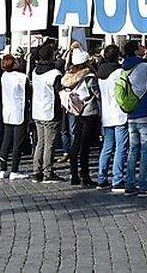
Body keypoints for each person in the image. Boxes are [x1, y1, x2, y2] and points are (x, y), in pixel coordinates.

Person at [116, 39, 147, 195]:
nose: (143, 47)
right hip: (146, 112)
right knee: (146, 152)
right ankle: (143, 184)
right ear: (135, 50)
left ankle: (129, 183)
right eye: (140, 46)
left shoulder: (124, 67)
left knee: (133, 150)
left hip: (131, 113)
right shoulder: (145, 66)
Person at [60, 44, 99, 187]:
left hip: (75, 111)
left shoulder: (69, 76)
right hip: (89, 111)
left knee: (75, 143)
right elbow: (97, 93)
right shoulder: (89, 77)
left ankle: (74, 174)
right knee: (85, 147)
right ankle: (85, 176)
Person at [95, 45, 129, 191]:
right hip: (119, 112)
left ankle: (101, 178)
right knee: (121, 147)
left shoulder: (100, 72)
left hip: (107, 114)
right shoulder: (119, 72)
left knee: (107, 147)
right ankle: (117, 179)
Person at [31, 43, 65, 183]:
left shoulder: (35, 70)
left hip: (38, 110)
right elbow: (59, 91)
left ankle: (36, 170)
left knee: (40, 143)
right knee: (49, 144)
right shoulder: (54, 74)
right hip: (50, 111)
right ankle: (48, 172)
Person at [0, 54, 30, 180]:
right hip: (19, 111)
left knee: (6, 140)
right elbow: (28, 93)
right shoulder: (22, 77)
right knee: (17, 142)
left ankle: (3, 168)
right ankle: (14, 169)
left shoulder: (3, 76)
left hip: (8, 110)